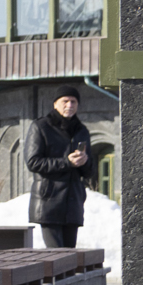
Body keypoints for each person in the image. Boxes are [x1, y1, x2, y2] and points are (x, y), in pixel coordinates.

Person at [27, 90, 94, 249]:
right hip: (49, 200)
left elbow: (90, 172)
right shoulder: (41, 126)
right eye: (65, 101)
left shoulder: (81, 130)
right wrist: (67, 162)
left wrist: (85, 162)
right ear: (55, 103)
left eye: (74, 102)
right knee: (56, 257)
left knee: (69, 258)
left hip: (73, 202)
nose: (69, 105)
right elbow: (33, 162)